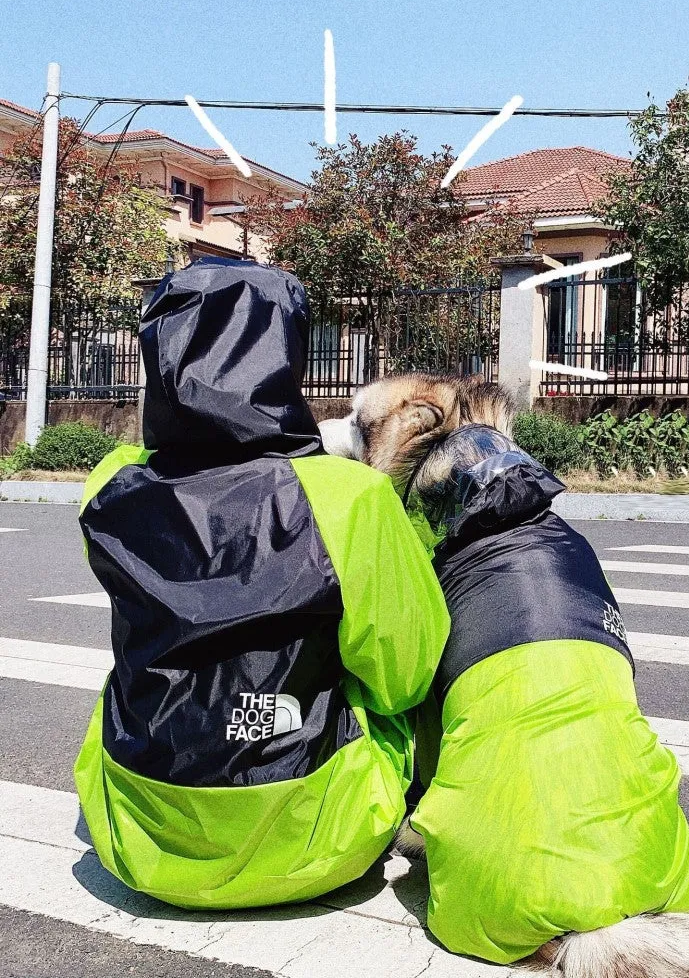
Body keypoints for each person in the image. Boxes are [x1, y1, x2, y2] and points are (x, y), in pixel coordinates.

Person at [74, 257, 449, 910]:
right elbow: (406, 672)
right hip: (316, 844)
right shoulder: (349, 498)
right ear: (285, 356)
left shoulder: (110, 487)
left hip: (136, 841)